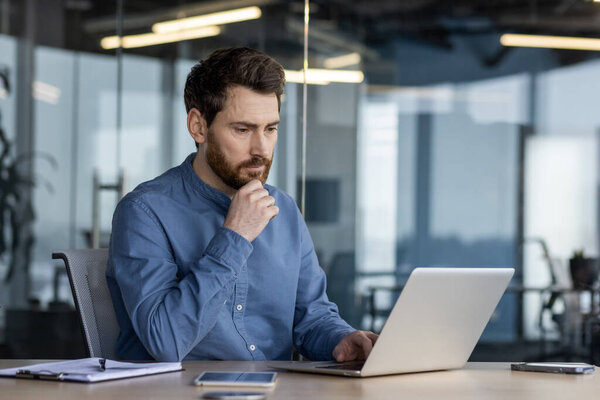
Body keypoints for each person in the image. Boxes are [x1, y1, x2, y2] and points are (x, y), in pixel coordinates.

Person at [106, 47, 378, 362]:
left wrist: (341, 339)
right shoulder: (144, 212)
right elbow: (165, 341)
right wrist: (234, 236)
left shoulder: (283, 210)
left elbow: (313, 317)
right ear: (198, 126)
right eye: (242, 130)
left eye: (270, 129)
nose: (261, 148)